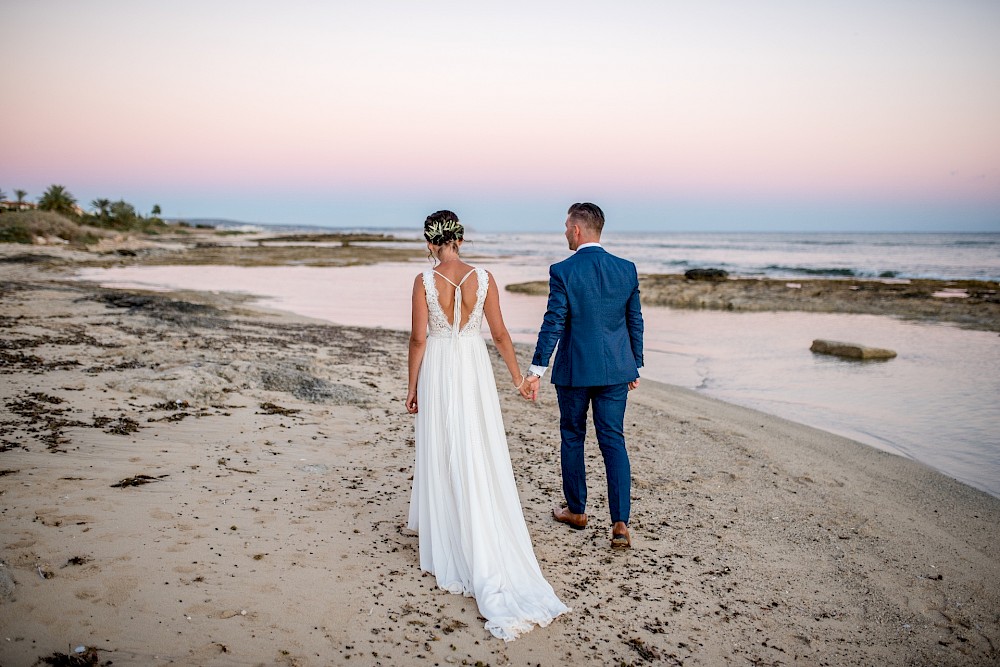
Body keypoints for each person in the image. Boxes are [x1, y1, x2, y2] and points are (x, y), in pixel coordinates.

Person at [405, 210, 569, 641]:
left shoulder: (424, 282)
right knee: (474, 442)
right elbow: (498, 334)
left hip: (440, 366)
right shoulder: (485, 278)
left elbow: (419, 338)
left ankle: (451, 534)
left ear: (430, 242)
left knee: (443, 444)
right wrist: (518, 378)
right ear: (460, 239)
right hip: (473, 366)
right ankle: (475, 521)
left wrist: (412, 386)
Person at [524, 203, 644, 549]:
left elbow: (554, 322)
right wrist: (634, 362)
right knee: (613, 441)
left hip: (575, 371)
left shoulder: (563, 271)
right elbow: (634, 319)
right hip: (616, 370)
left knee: (573, 436)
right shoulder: (626, 269)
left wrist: (536, 370)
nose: (564, 232)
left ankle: (576, 511)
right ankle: (620, 524)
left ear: (577, 230)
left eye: (566, 226)